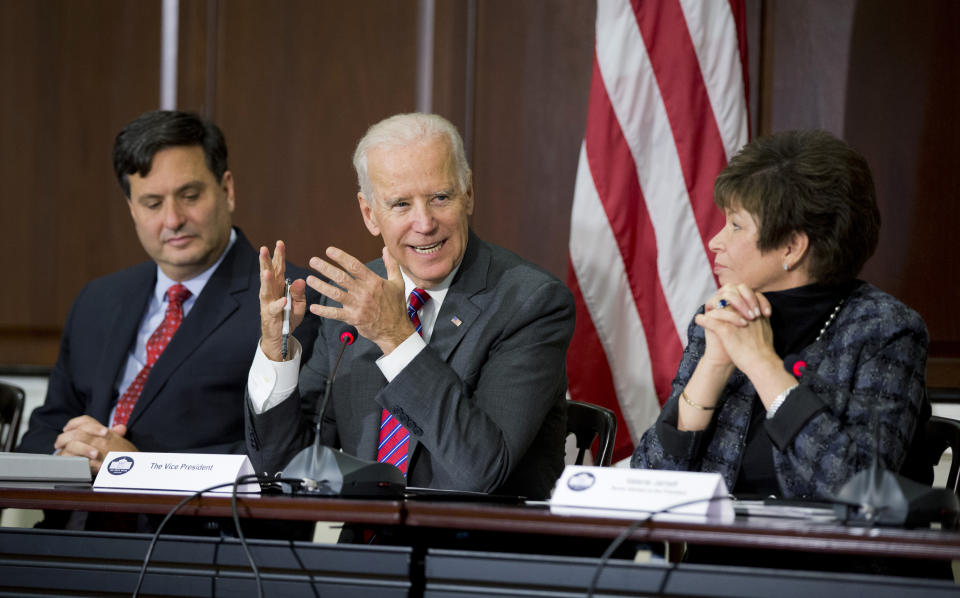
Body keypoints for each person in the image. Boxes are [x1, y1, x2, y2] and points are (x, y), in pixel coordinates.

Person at [245, 113, 574, 500]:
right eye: (401, 204)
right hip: (366, 547)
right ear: (370, 214)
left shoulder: (530, 303)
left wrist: (396, 337)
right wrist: (275, 350)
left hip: (478, 549)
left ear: (468, 194)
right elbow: (284, 468)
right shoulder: (352, 297)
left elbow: (480, 472)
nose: (424, 223)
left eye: (440, 197)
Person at [632, 129, 930, 501]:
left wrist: (761, 363)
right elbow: (647, 482)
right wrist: (714, 366)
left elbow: (858, 488)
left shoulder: (885, 331)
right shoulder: (725, 315)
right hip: (718, 556)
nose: (715, 241)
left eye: (736, 225)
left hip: (824, 559)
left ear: (792, 246)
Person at [18, 110, 317, 477]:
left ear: (227, 190)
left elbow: (288, 458)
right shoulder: (97, 300)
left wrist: (135, 468)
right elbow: (42, 432)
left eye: (189, 196)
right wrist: (68, 454)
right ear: (132, 209)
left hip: (195, 529)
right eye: (152, 204)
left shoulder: (291, 301)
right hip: (75, 522)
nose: (173, 219)